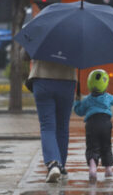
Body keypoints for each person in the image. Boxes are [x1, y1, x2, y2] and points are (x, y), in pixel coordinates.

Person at [22, 49, 77, 183]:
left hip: (42, 79)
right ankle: (61, 166)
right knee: (63, 127)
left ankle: (53, 164)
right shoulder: (74, 31)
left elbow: (25, 55)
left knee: (47, 126)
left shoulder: (41, 29)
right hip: (67, 80)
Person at [74, 69, 113, 180]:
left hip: (91, 124)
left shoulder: (87, 100)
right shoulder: (108, 97)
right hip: (106, 123)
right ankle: (108, 169)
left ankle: (93, 167)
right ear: (106, 85)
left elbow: (79, 111)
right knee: (106, 146)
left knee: (92, 147)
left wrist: (77, 101)